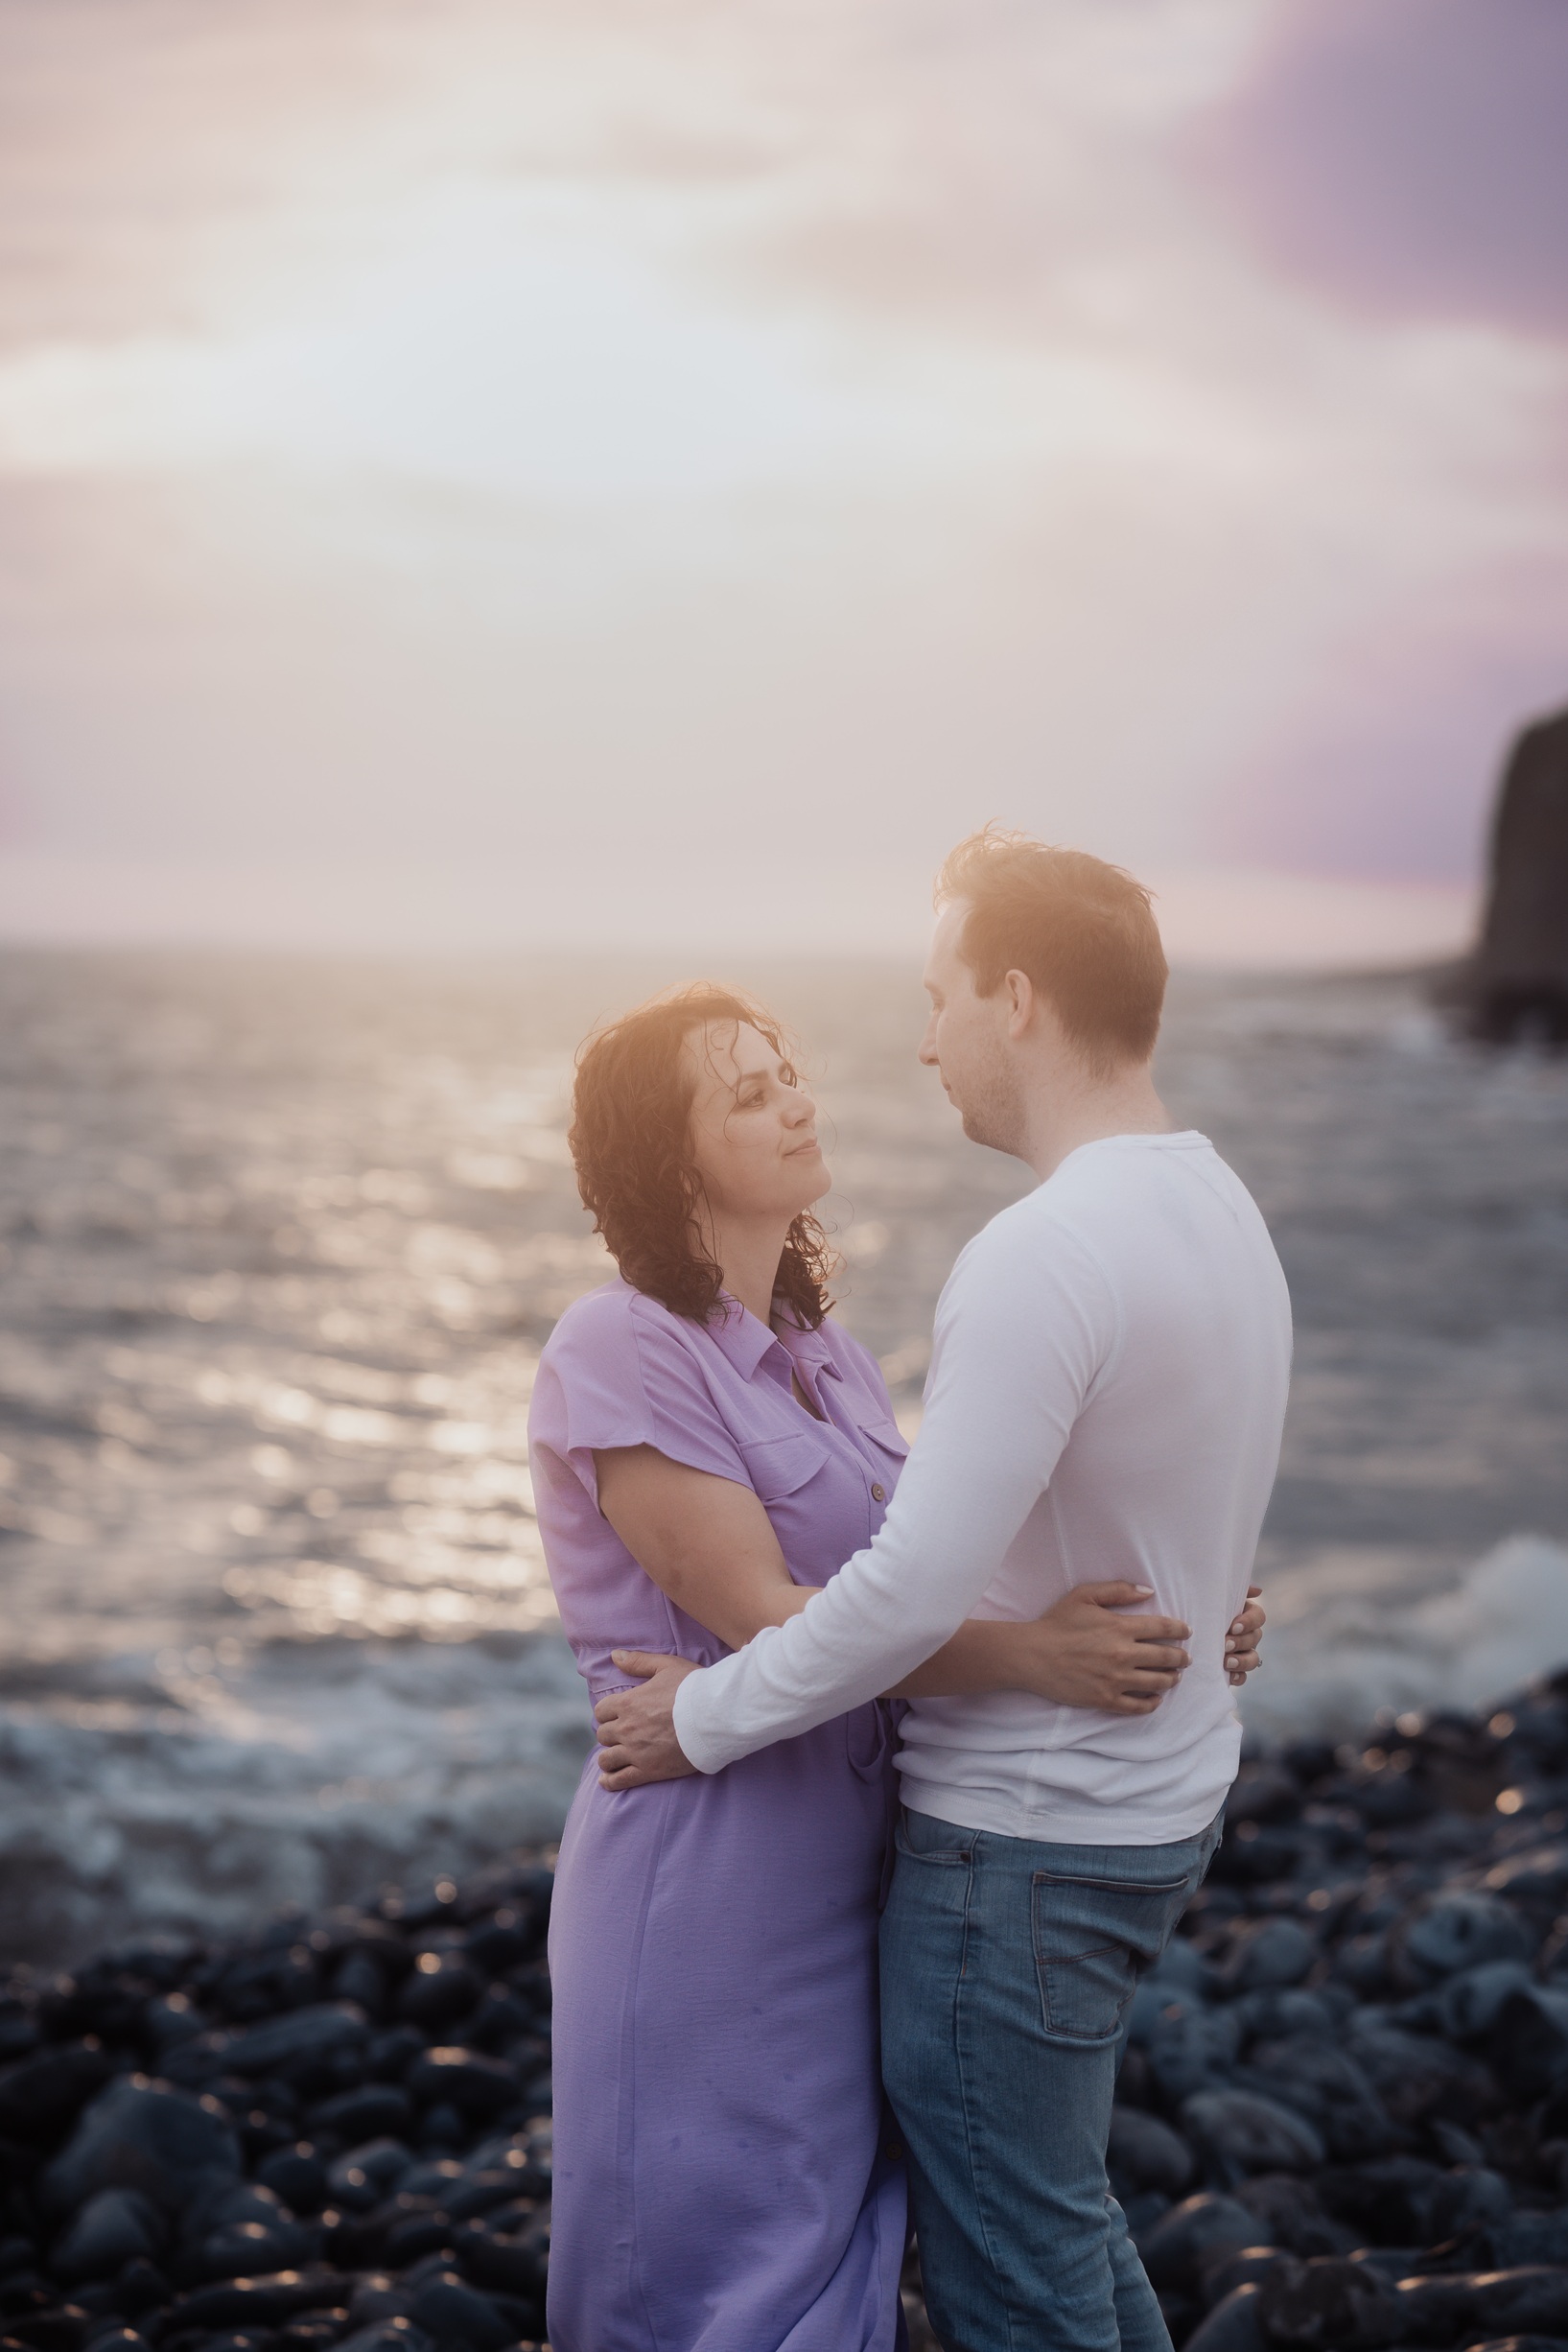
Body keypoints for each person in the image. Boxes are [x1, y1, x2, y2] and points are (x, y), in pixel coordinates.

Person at [594, 833, 1294, 2352]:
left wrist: (703, 1716)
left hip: (1022, 1857)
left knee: (1019, 2280)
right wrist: (1216, 1603)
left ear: (1019, 1000)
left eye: (939, 997)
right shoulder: (1219, 1206)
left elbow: (907, 1586)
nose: (922, 1043)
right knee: (1059, 2218)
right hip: (1150, 1811)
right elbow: (1187, 1488)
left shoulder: (1043, 1253)